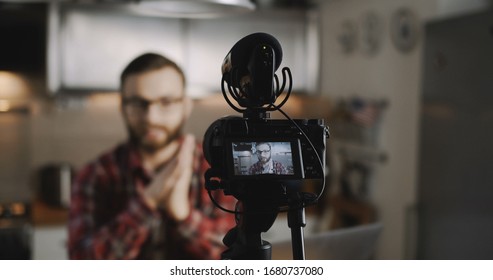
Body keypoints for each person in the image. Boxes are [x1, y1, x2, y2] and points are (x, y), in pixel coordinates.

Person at [68, 53, 236, 260]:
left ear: (186, 106)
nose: (151, 117)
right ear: (123, 108)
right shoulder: (95, 174)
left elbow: (235, 259)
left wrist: (183, 215)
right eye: (138, 103)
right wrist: (148, 201)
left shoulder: (218, 166)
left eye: (166, 102)